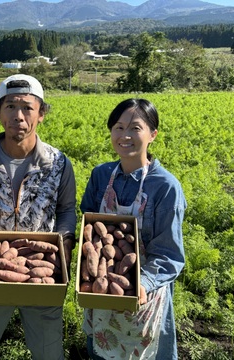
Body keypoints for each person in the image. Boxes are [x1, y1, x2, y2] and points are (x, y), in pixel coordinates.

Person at [0, 74, 76, 360]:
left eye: (27, 108)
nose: (18, 116)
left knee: (49, 353)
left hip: (41, 269)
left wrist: (65, 244)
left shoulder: (58, 163)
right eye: (10, 106)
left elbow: (67, 210)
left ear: (42, 113)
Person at [80, 98, 186, 359]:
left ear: (153, 134)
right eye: (118, 127)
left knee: (146, 353)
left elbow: (169, 254)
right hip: (102, 290)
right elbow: (88, 223)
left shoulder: (165, 186)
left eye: (135, 128)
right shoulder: (101, 175)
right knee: (102, 351)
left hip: (145, 292)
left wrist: (142, 283)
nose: (125, 135)